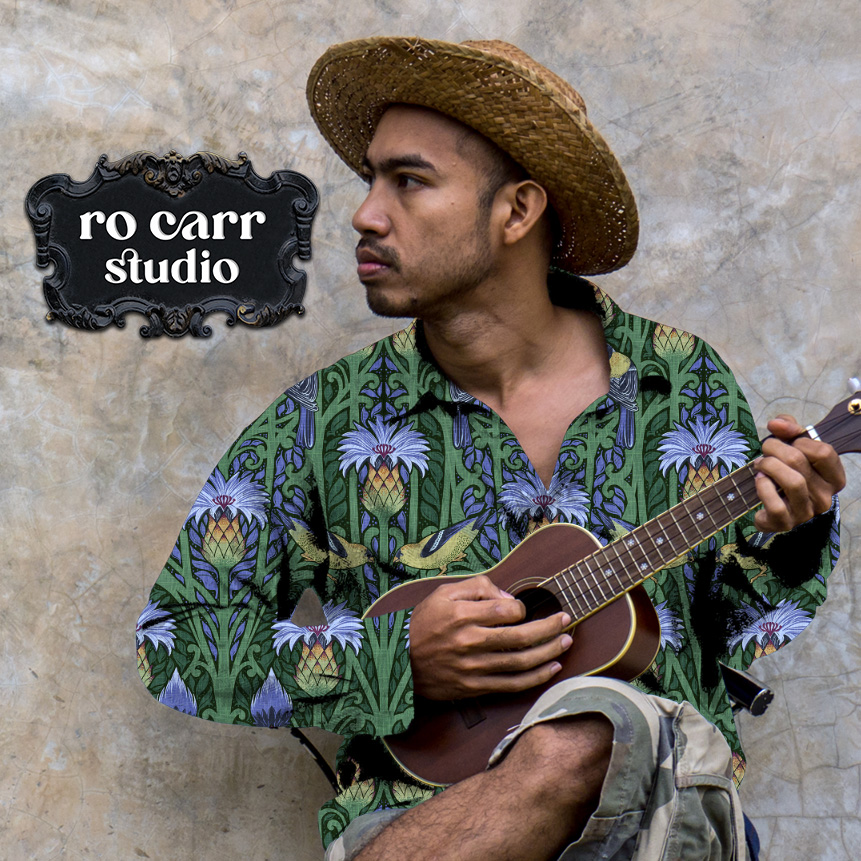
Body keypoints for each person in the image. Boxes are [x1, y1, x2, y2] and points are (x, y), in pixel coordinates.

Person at [137, 37, 845, 860]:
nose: (365, 213)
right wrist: (396, 657)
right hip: (426, 825)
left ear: (516, 211)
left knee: (596, 730)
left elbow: (744, 633)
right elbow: (173, 644)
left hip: (660, 826)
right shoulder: (323, 420)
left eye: (407, 180)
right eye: (369, 179)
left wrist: (789, 530)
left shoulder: (678, 383)